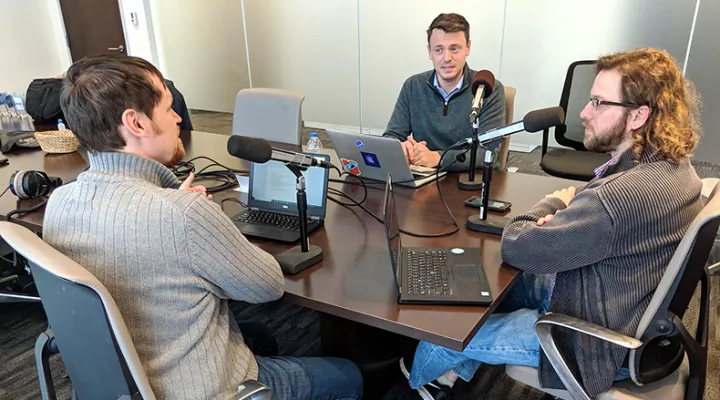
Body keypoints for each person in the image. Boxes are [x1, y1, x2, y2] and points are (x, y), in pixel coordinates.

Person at [43, 55, 363, 400]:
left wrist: (170, 202)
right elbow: (267, 287)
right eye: (168, 108)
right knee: (347, 376)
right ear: (136, 123)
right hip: (205, 388)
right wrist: (198, 219)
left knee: (259, 336)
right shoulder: (181, 215)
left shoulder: (60, 201)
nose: (179, 117)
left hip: (119, 385)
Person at [399, 47, 704, 400]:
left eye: (599, 103)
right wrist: (566, 218)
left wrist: (555, 202)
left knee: (448, 327)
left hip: (587, 342)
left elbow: (516, 244)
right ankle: (449, 372)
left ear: (638, 116)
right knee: (479, 287)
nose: (584, 113)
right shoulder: (674, 168)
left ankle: (415, 381)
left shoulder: (618, 198)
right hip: (616, 298)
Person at [383, 13, 506, 171]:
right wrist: (401, 148)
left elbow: (488, 152)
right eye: (439, 50)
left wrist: (438, 158)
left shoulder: (488, 88)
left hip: (473, 181)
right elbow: (391, 136)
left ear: (468, 47)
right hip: (425, 176)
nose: (446, 58)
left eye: (454, 49)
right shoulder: (413, 86)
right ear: (429, 52)